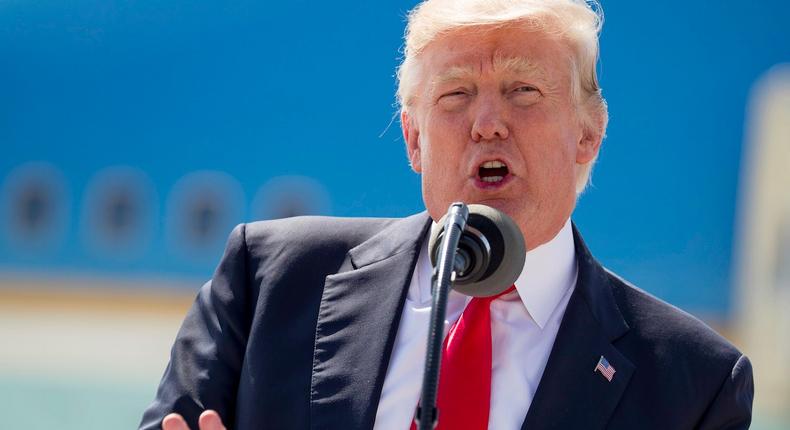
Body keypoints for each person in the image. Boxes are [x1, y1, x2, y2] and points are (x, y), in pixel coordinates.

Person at [140, 1, 754, 429]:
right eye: (455, 95)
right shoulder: (268, 279)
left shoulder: (695, 385)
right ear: (413, 140)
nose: (487, 122)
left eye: (524, 91)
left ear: (588, 134)